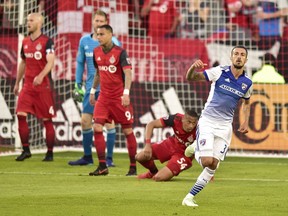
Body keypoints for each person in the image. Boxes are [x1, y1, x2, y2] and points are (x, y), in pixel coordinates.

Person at [182, 45, 253, 207]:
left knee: (213, 165)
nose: (239, 57)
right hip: (208, 121)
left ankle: (189, 197)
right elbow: (191, 78)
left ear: (246, 60)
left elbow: (246, 103)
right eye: (236, 54)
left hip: (225, 127)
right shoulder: (219, 71)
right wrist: (193, 67)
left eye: (242, 55)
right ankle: (195, 147)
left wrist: (245, 121)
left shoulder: (247, 83)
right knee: (207, 161)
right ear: (231, 57)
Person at [68, 10, 121, 167]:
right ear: (92, 22)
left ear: (106, 23)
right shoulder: (84, 41)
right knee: (85, 121)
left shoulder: (114, 42)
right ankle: (87, 157)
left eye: (101, 21)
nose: (98, 24)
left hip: (108, 89)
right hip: (90, 87)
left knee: (108, 123)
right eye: (96, 21)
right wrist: (78, 83)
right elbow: (79, 62)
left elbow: (120, 67)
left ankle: (109, 159)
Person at [88, 24, 137, 176]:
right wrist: (92, 91)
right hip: (103, 98)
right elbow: (98, 73)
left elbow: (128, 74)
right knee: (96, 127)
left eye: (102, 34)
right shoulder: (96, 52)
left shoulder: (120, 53)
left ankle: (133, 166)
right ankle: (102, 166)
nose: (98, 37)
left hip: (119, 98)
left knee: (127, 130)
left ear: (110, 34)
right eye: (97, 34)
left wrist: (126, 93)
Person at [13, 13, 56, 161]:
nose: (28, 23)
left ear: (39, 22)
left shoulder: (47, 42)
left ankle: (49, 153)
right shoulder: (24, 42)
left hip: (43, 87)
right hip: (27, 87)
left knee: (47, 120)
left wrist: (41, 75)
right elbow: (23, 63)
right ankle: (26, 150)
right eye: (27, 20)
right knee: (20, 114)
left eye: (31, 20)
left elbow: (51, 62)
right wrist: (17, 82)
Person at [135, 109, 198, 181]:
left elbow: (207, 146)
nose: (191, 126)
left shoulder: (199, 129)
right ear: (183, 119)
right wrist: (147, 145)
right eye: (189, 122)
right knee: (139, 157)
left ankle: (164, 171)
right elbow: (151, 124)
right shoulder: (175, 118)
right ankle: (153, 172)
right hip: (172, 143)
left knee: (158, 178)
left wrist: (208, 173)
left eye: (193, 123)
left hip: (184, 155)